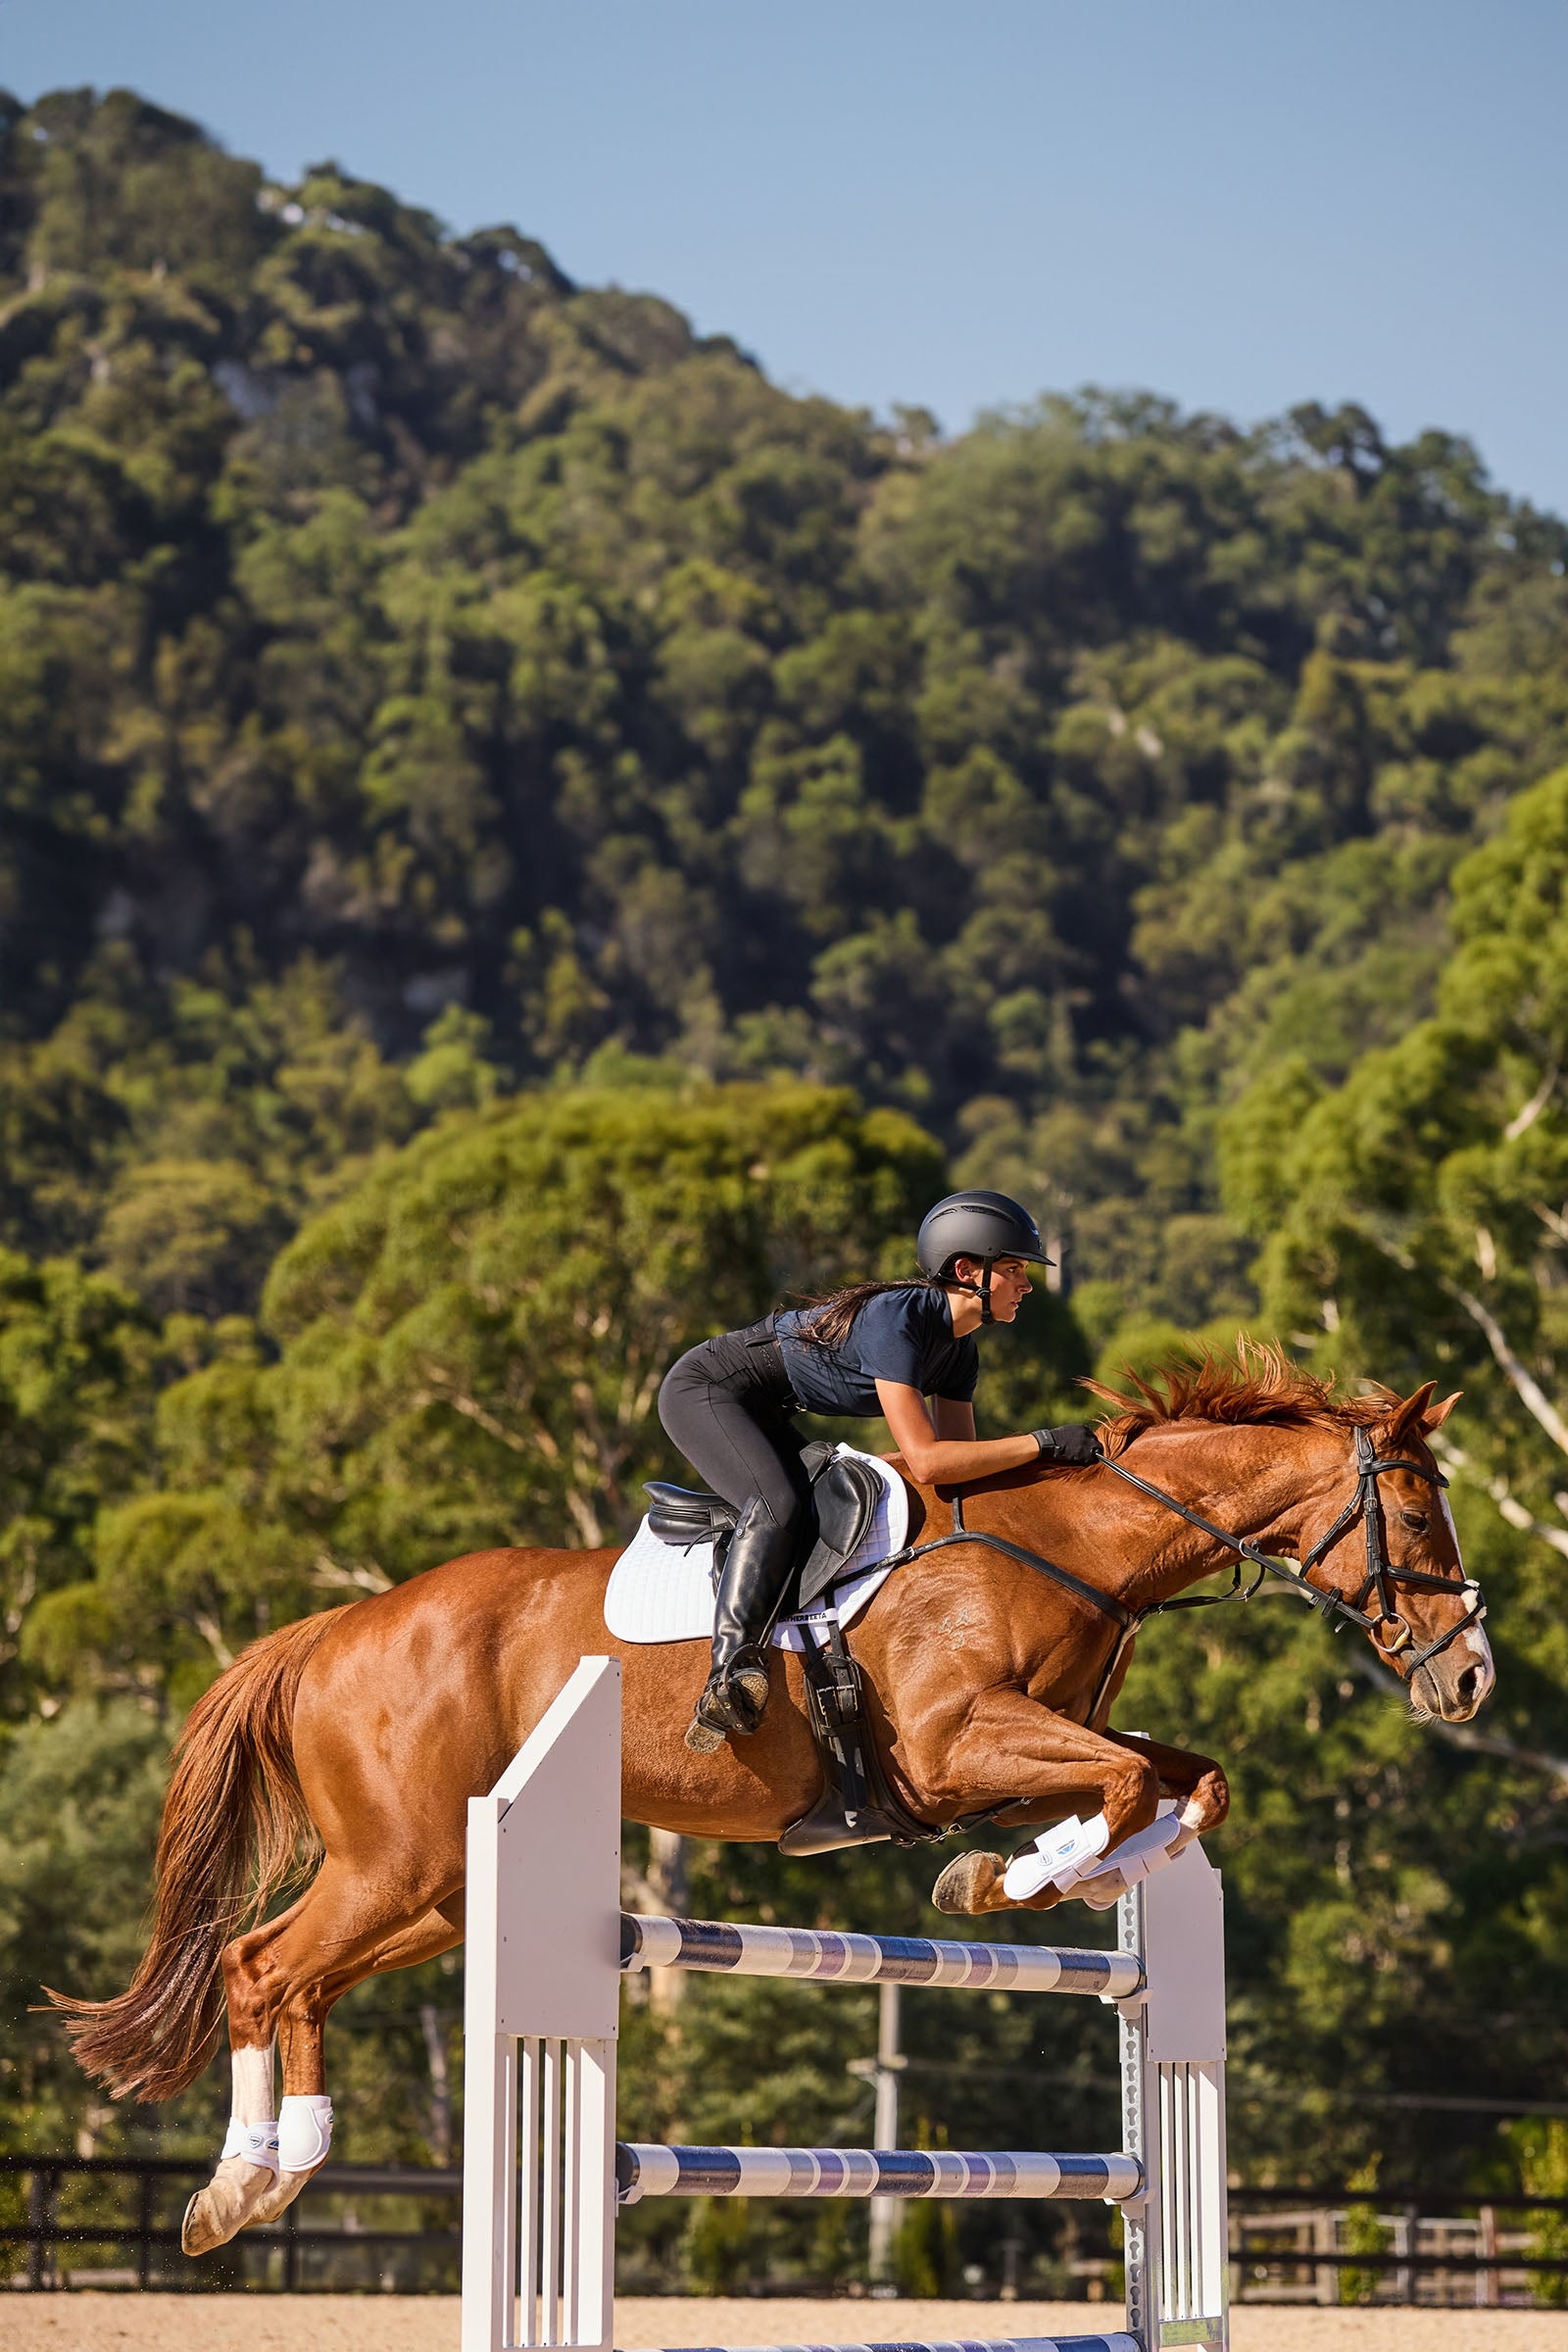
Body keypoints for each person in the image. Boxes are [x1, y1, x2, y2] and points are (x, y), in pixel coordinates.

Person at [657, 1188, 1102, 1754]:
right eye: (1014, 1269)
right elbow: (926, 1458)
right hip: (707, 1390)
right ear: (966, 1271)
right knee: (782, 1506)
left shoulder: (961, 1350)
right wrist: (1043, 1443)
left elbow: (954, 1474)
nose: (1027, 1284)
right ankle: (729, 1673)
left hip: (766, 1409)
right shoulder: (901, 1319)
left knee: (812, 1512)